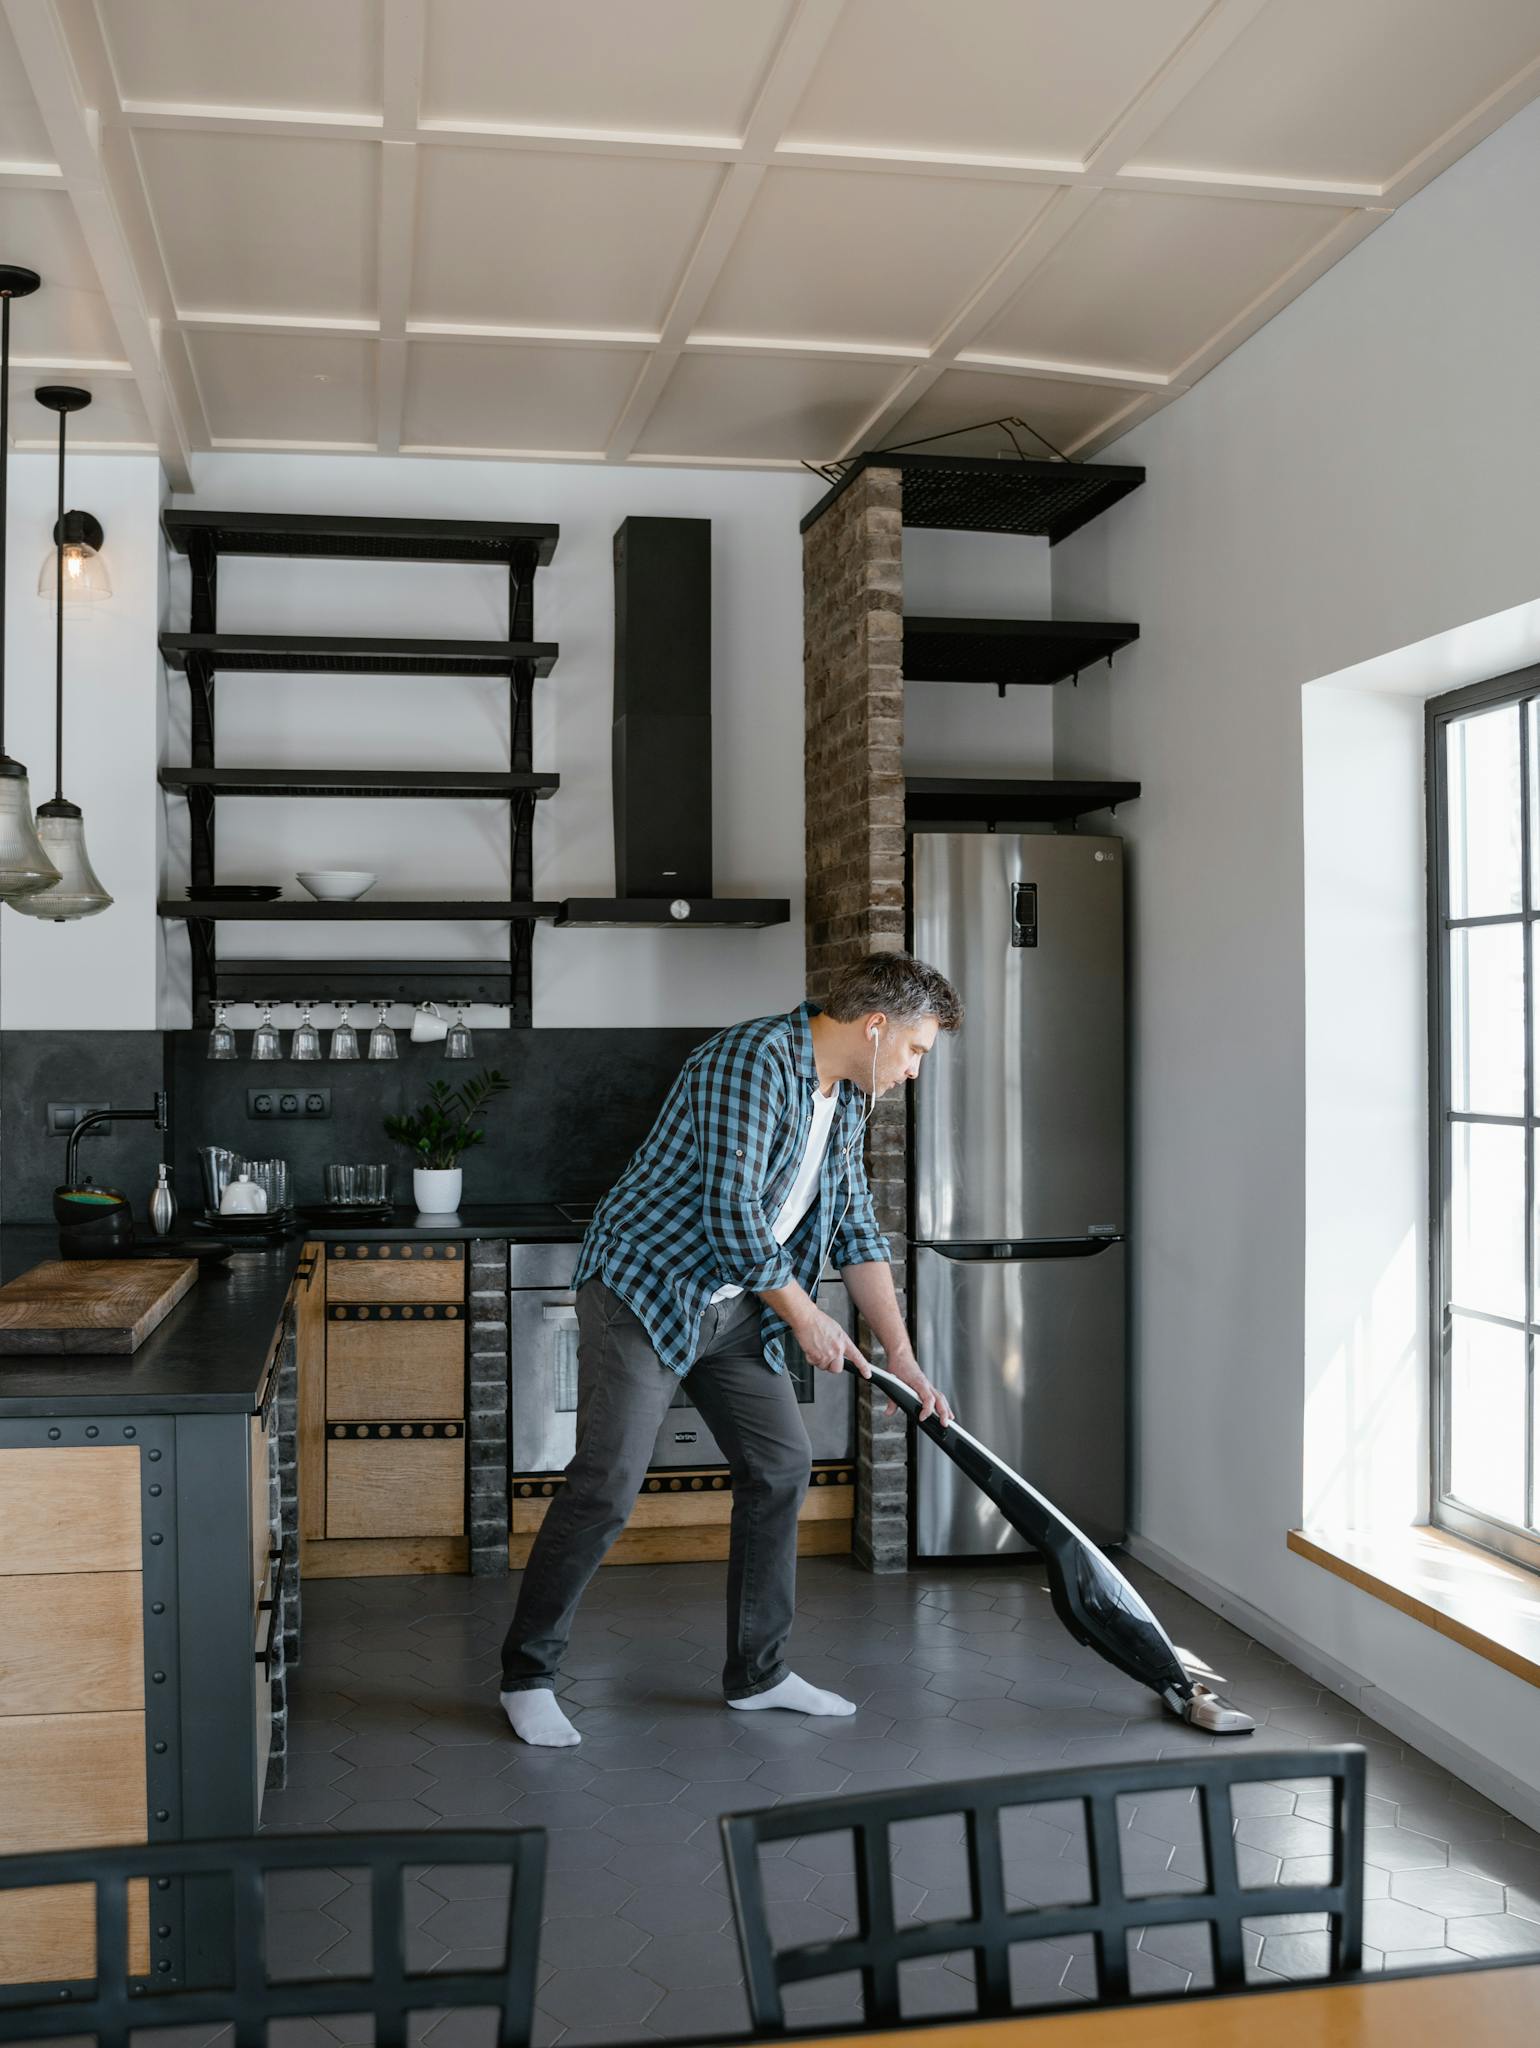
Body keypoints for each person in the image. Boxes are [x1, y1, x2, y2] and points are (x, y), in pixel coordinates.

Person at [499, 952, 964, 1747]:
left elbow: (854, 1223)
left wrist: (902, 1354)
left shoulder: (852, 1097)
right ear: (876, 1027)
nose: (916, 1071)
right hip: (644, 1292)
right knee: (607, 1486)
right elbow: (731, 1212)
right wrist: (808, 1319)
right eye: (917, 1050)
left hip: (735, 1306)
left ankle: (759, 1674)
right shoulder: (749, 1059)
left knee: (780, 1466)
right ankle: (526, 1675)